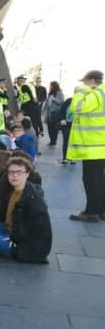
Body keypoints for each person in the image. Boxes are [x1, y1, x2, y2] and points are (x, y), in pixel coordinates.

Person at [0, 157, 52, 262]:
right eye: (11, 172)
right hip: (11, 229)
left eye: (19, 172)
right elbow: (5, 209)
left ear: (27, 174)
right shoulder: (16, 188)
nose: (14, 175)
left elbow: (36, 231)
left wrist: (14, 239)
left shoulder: (34, 201)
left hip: (25, 247)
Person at [67, 70, 105, 222]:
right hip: (99, 145)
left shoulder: (95, 94)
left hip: (92, 146)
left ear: (92, 80)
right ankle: (102, 209)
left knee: (91, 180)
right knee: (99, 179)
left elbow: (76, 107)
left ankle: (91, 212)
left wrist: (79, 90)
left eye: (84, 82)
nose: (83, 84)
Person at [43, 81, 64, 146]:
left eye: (51, 85)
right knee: (49, 127)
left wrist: (54, 99)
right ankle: (51, 140)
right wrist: (44, 109)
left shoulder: (59, 92)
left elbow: (61, 101)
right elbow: (47, 101)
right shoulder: (50, 93)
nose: (49, 87)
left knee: (54, 128)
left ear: (54, 86)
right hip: (49, 113)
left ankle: (53, 141)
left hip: (55, 113)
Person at [58, 97, 74, 165]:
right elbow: (62, 111)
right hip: (67, 124)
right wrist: (62, 119)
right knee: (66, 141)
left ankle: (71, 158)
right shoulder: (69, 101)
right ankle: (65, 158)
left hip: (74, 125)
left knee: (72, 142)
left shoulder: (80, 103)